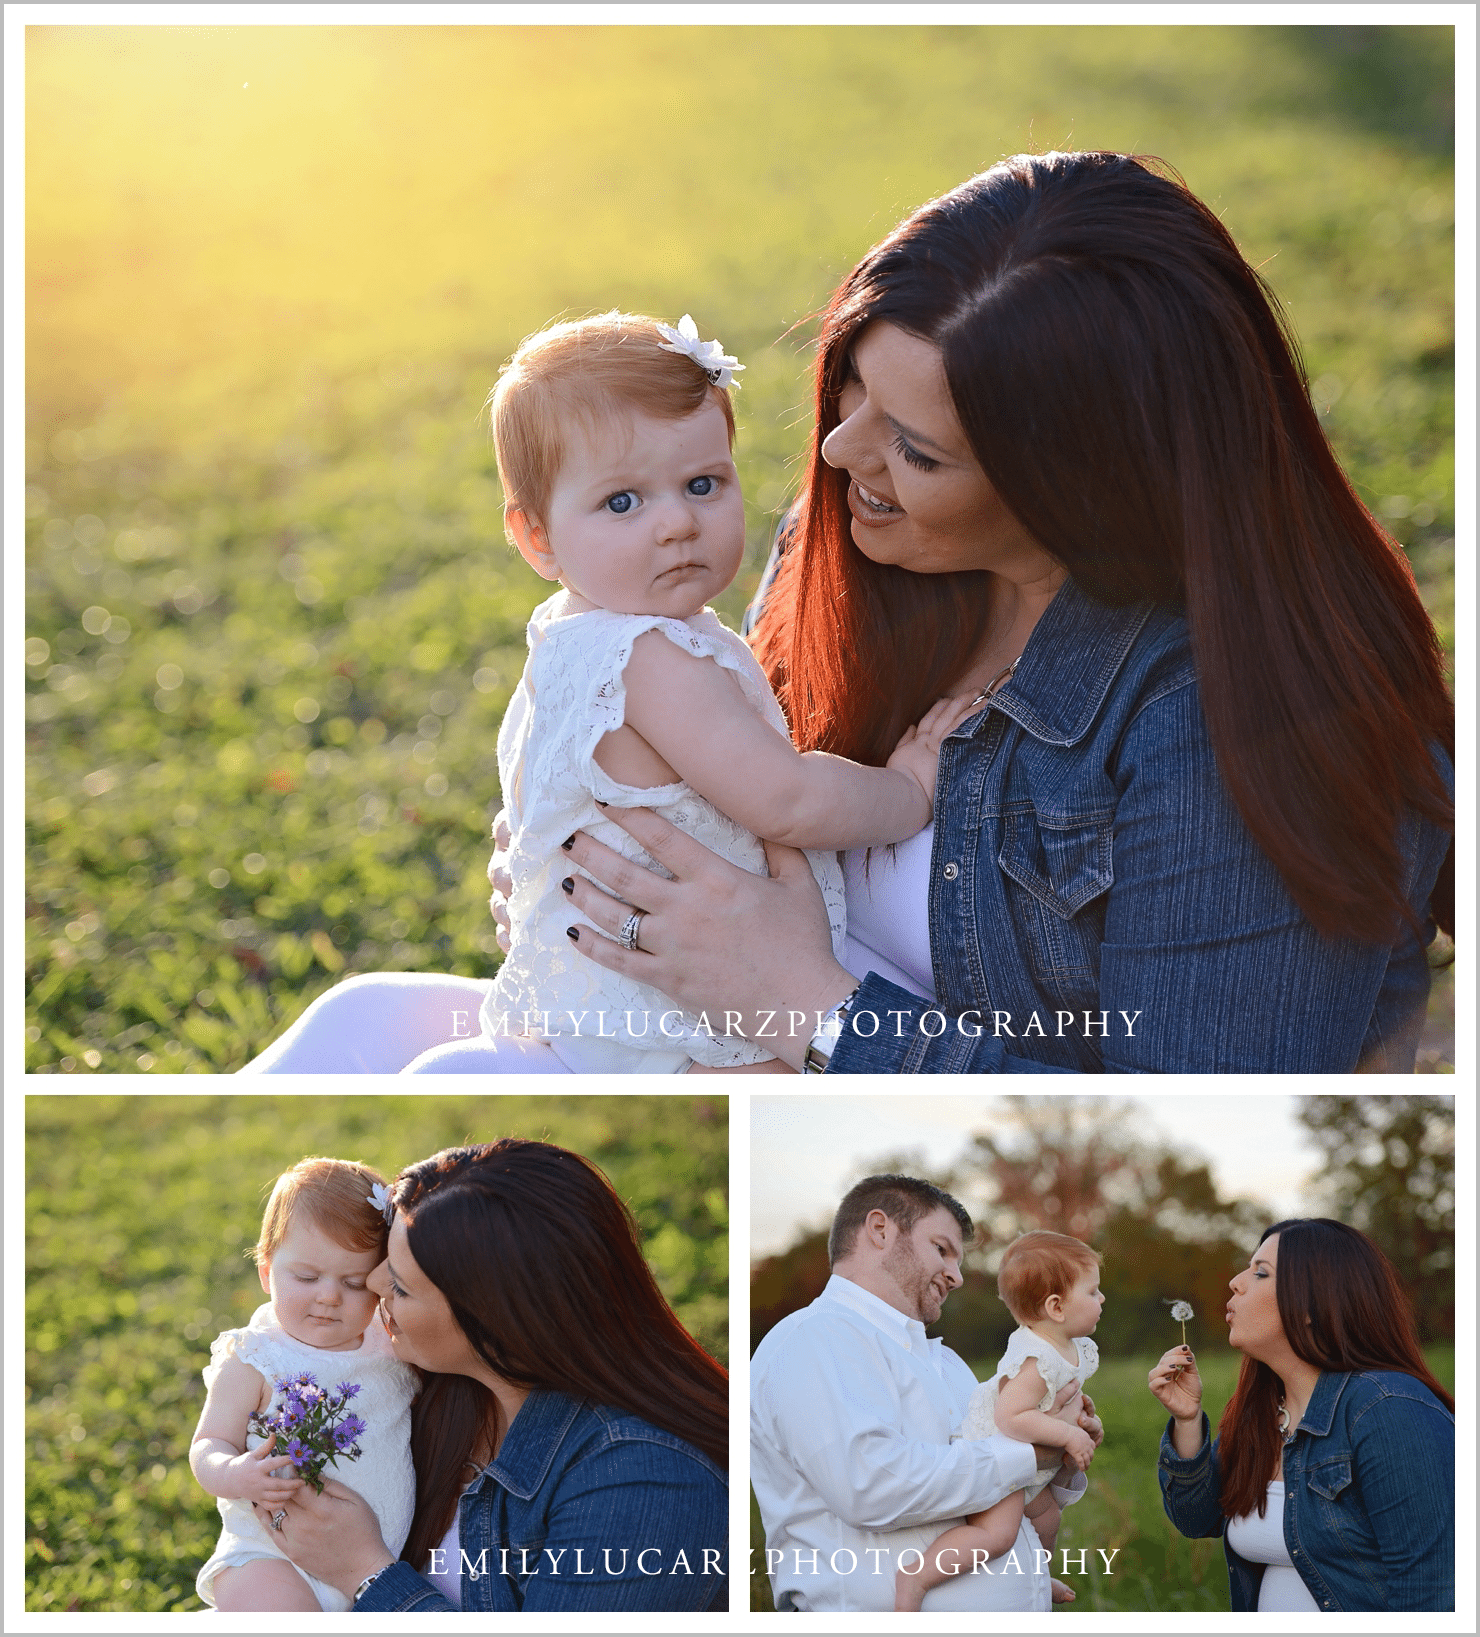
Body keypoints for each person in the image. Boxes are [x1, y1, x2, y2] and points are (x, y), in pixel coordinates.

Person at [544, 150, 1454, 1073]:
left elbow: (1182, 1111)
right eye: (856, 382)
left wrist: (807, 1006)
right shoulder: (861, 541)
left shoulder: (1235, 731)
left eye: (918, 449)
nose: (839, 446)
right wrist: (589, 871)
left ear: (1084, 488)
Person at [241, 313, 972, 1074]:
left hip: (602, 995)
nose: (677, 523)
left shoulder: (568, 633)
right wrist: (909, 790)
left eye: (702, 483)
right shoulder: (650, 656)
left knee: (365, 1021)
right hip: (673, 1015)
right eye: (623, 502)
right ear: (537, 538)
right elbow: (787, 799)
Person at [255, 1140, 728, 1612]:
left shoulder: (641, 1484)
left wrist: (364, 1572)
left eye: (399, 1284)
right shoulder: (430, 1386)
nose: (374, 1286)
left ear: (495, 1320)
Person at [750, 1174, 1101, 1613]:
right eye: (941, 1249)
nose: (955, 1276)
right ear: (880, 1231)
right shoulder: (815, 1337)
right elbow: (870, 1484)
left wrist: (1063, 1457)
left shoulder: (948, 1364)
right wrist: (1030, 1455)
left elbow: (992, 1491)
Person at [1148, 1218, 1454, 1612]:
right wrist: (1188, 1422)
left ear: (1311, 1304)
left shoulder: (1388, 1409)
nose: (1235, 1282)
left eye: (1260, 1273)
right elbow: (1197, 1519)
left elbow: (1432, 1593)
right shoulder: (1260, 1414)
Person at [190, 1157, 417, 1611]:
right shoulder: (256, 1358)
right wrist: (235, 1473)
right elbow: (208, 1443)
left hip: (374, 1561)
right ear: (266, 1271)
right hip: (270, 1558)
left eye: (354, 1283)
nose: (329, 1296)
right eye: (307, 1277)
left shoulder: (388, 1345)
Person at [897, 1229, 1104, 1611]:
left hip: (1028, 1463)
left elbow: (1056, 1401)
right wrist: (1067, 1436)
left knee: (1049, 1518)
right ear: (1056, 1307)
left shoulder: (1071, 1348)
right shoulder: (1035, 1359)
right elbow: (1009, 1417)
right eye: (1092, 1292)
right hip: (997, 1457)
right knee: (997, 1534)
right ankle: (918, 1575)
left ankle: (1037, 1578)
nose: (1101, 1299)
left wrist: (1082, 1418)